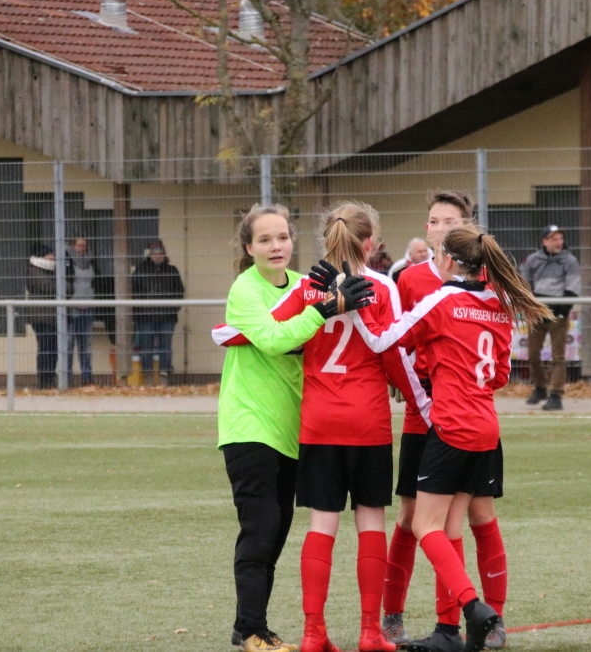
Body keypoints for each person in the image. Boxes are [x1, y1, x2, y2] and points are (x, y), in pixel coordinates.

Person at [214, 202, 430, 652]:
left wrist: (227, 333)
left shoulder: (307, 286)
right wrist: (422, 406)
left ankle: (314, 633)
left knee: (321, 524)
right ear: (370, 242)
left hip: (316, 421)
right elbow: (393, 353)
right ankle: (370, 632)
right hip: (367, 419)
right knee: (370, 521)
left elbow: (271, 329)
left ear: (325, 240)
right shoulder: (381, 287)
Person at [353, 225, 554, 652]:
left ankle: (473, 608)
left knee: (424, 525)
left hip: (450, 427)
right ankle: (448, 632)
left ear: (446, 259)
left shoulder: (442, 298)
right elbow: (499, 374)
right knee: (451, 525)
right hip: (485, 428)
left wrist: (358, 307)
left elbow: (382, 340)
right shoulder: (499, 305)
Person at [383, 191, 510, 652]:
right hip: (426, 416)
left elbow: (389, 339)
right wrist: (414, 388)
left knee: (476, 515)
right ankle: (395, 615)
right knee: (412, 516)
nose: (438, 228)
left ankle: (485, 619)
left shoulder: (482, 283)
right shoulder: (409, 279)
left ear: (466, 231)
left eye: (449, 222)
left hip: (460, 415)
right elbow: (399, 348)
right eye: (433, 221)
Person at [519, 224, 582, 411]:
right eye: (554, 239)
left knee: (558, 356)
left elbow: (573, 287)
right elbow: (526, 285)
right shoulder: (532, 260)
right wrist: (531, 306)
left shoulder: (570, 261)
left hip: (558, 313)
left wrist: (562, 310)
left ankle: (556, 394)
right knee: (532, 354)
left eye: (560, 239)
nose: (559, 242)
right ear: (544, 241)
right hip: (538, 312)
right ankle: (540, 387)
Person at [131, 240, 185, 383]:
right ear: (150, 254)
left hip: (167, 316)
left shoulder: (172, 271)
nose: (158, 256)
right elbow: (134, 292)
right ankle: (147, 375)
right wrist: (140, 311)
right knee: (146, 347)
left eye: (160, 253)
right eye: (155, 253)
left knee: (165, 346)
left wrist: (173, 309)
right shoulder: (140, 270)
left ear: (164, 254)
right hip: (145, 316)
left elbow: (179, 292)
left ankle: (164, 375)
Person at [26, 244, 60, 389]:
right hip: (41, 317)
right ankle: (44, 380)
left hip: (52, 317)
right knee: (45, 348)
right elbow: (49, 287)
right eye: (49, 254)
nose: (52, 257)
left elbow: (66, 286)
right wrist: (61, 286)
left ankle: (50, 377)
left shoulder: (52, 271)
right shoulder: (34, 271)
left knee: (54, 349)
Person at [67, 237, 99, 386]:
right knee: (68, 345)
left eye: (84, 246)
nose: (82, 248)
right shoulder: (67, 261)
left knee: (85, 346)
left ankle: (87, 377)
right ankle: (67, 378)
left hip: (88, 307)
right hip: (72, 308)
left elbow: (97, 281)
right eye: (79, 245)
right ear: (73, 246)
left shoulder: (91, 261)